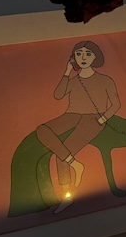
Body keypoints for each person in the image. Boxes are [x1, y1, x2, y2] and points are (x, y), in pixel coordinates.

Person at [35, 40, 120, 210]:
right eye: (79, 53)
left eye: (88, 54)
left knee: (63, 151)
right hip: (71, 115)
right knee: (42, 130)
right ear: (73, 57)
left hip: (93, 118)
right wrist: (67, 71)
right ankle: (75, 164)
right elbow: (58, 95)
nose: (83, 57)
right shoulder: (73, 81)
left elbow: (116, 104)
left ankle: (67, 196)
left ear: (95, 57)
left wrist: (102, 119)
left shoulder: (105, 80)